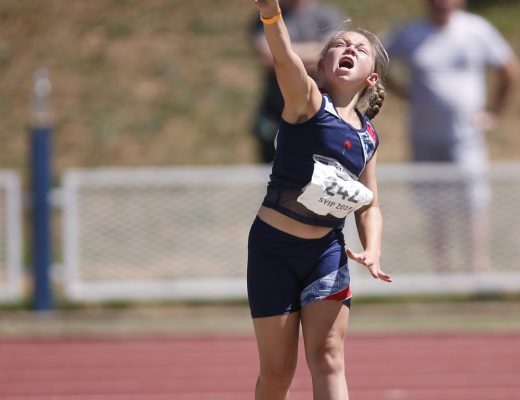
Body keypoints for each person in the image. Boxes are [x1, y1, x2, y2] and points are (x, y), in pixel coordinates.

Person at [247, 1, 392, 399]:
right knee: (278, 371)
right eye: (340, 44)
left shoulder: (368, 137)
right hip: (273, 250)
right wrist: (271, 14)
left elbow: (369, 204)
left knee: (328, 357)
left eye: (359, 49)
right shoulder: (307, 101)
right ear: (323, 65)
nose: (349, 49)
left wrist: (373, 249)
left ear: (371, 77)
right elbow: (283, 58)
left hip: (325, 254)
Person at [382, 0, 518, 272]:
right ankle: (442, 269)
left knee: (472, 200)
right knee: (432, 202)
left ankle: (478, 266)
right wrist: (403, 92)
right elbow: (378, 61)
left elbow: (508, 69)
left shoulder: (477, 30)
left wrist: (494, 111)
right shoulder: (409, 33)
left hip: (465, 135)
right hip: (423, 134)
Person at [249, 0, 343, 163]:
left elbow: (334, 55)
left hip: (322, 110)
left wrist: (285, 54)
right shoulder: (265, 13)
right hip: (277, 110)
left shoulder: (327, 16)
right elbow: (268, 55)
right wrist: (316, 52)